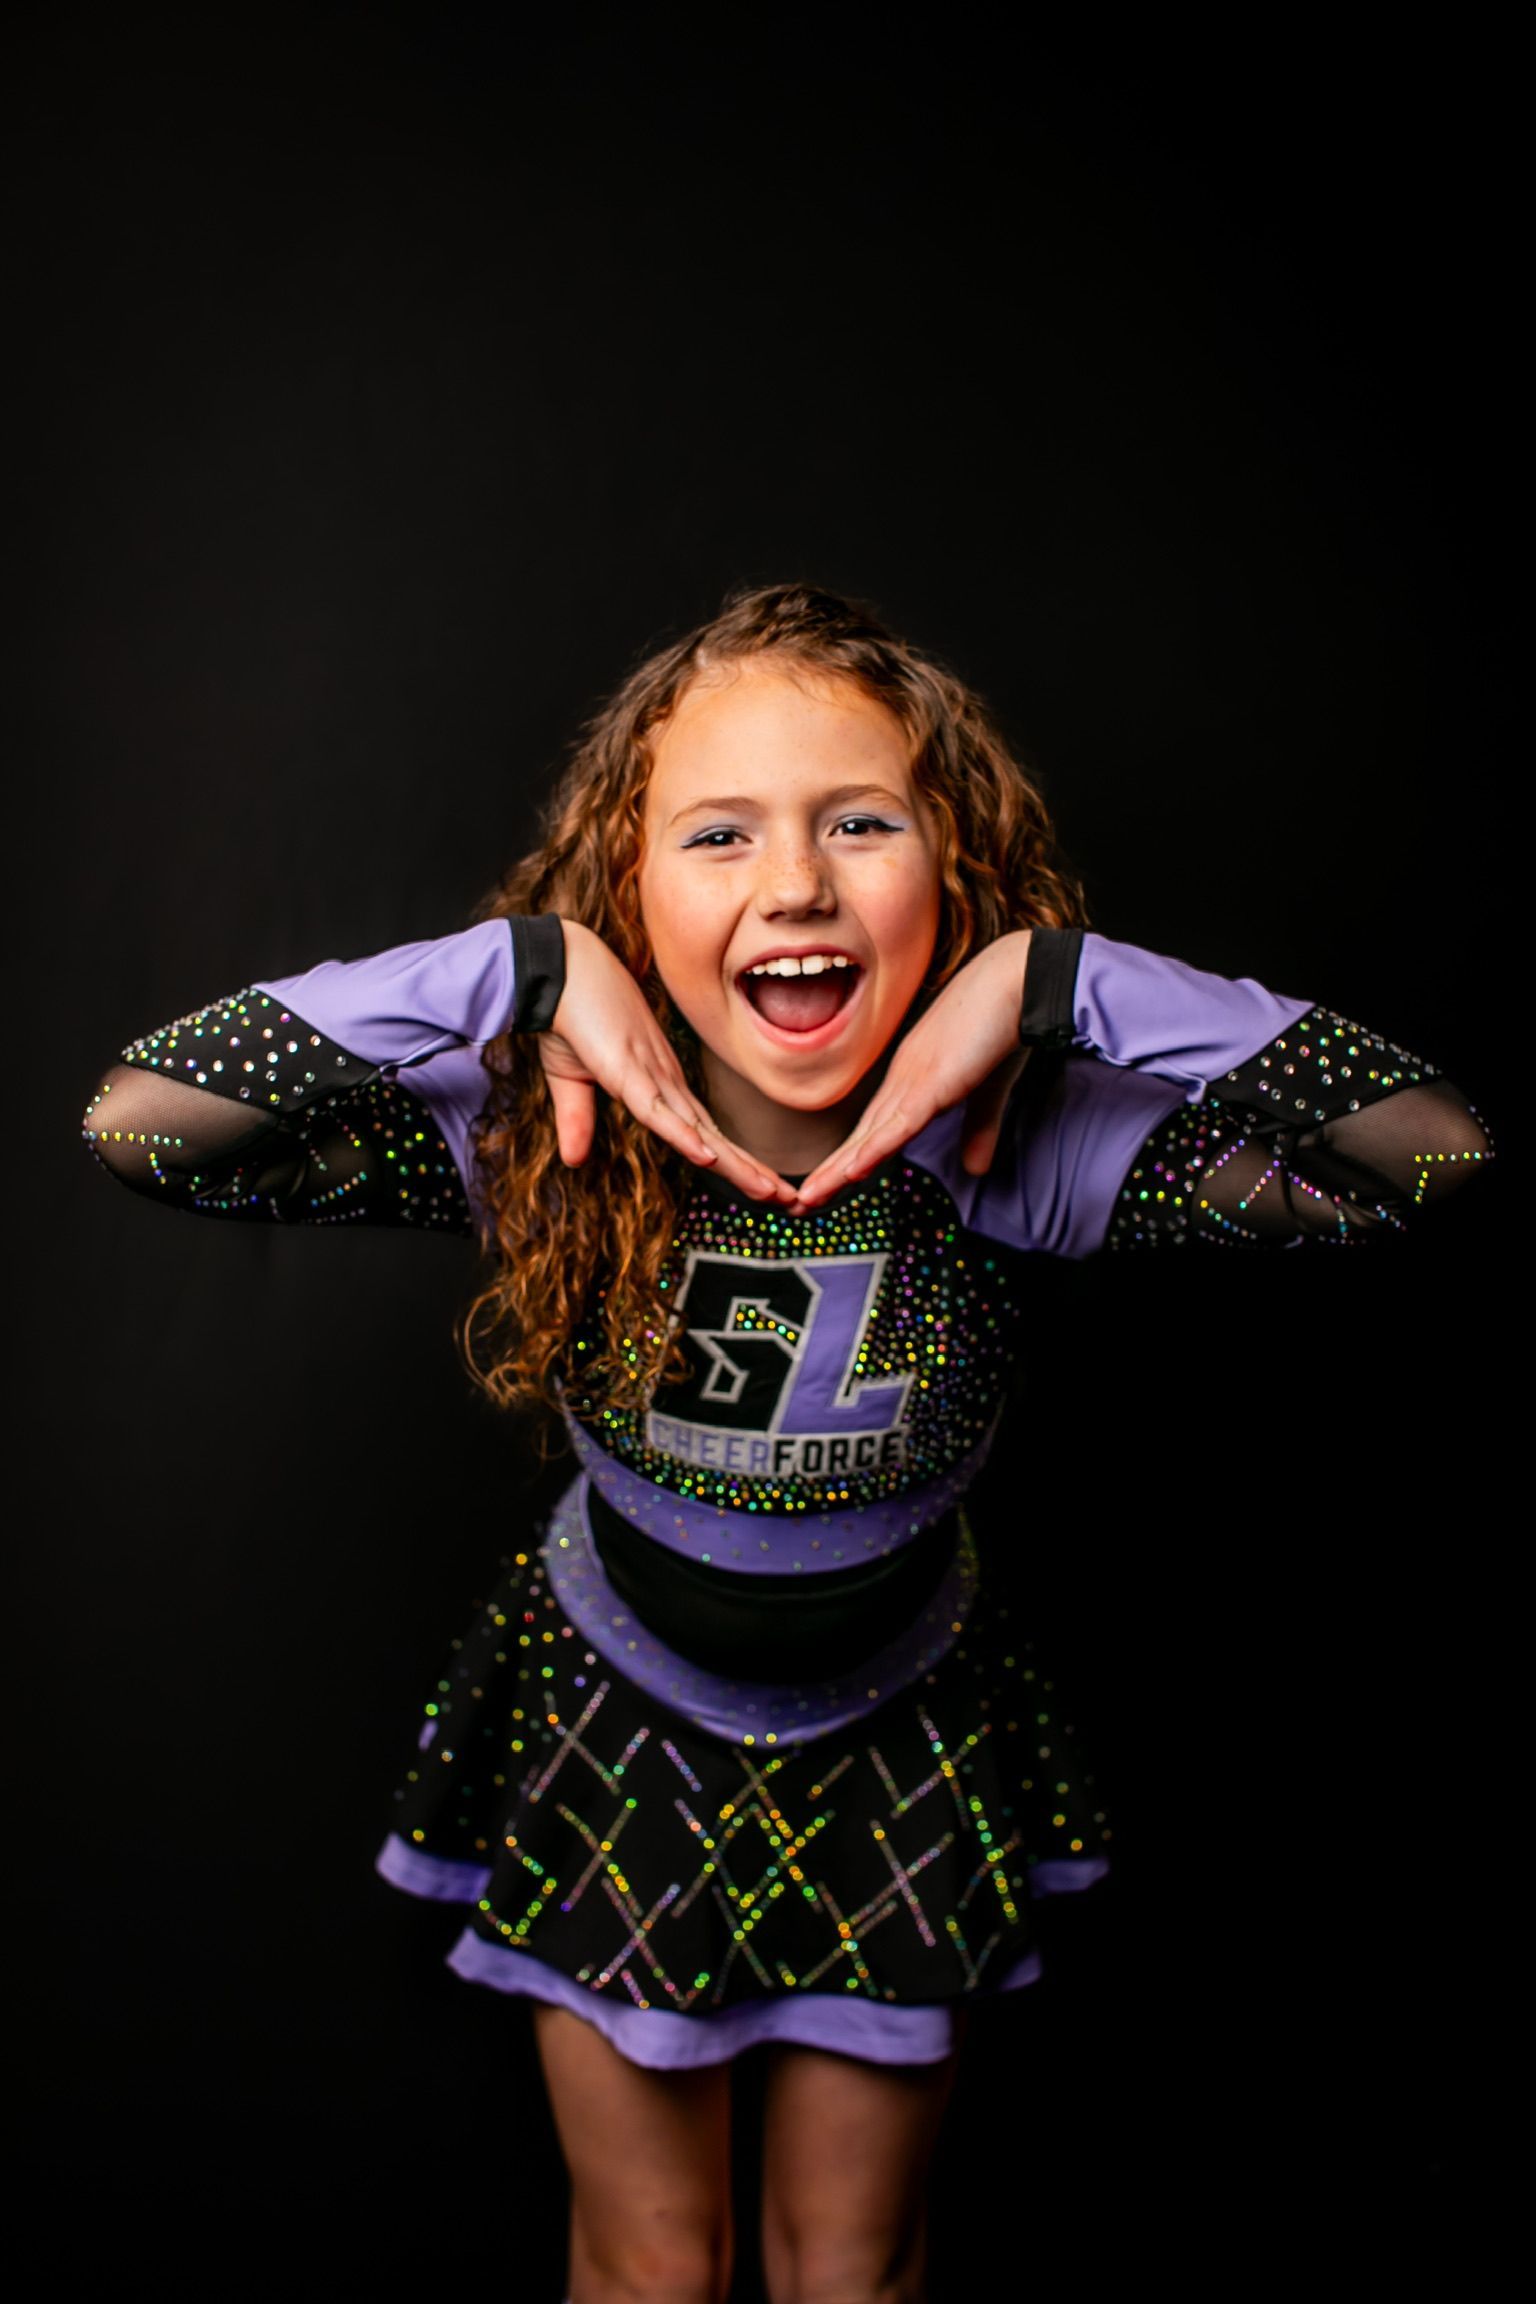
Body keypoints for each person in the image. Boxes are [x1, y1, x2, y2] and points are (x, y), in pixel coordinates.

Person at [83, 582, 1490, 2303]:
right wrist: (517, 968)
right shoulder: (540, 1131)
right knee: (653, 2264)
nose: (797, 885)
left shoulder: (1019, 1144)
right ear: (630, 889)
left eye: (862, 824)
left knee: (852, 2265)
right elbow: (142, 1126)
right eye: (719, 835)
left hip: (900, 1722)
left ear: (951, 872)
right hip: (617, 1718)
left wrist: (1067, 987)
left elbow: (1429, 1161)